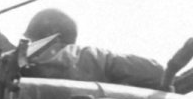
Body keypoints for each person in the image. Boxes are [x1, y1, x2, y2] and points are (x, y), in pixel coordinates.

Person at [21, 6, 166, 88]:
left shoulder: (24, 57)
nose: (30, 44)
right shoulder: (94, 57)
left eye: (32, 39)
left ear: (49, 34)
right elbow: (155, 71)